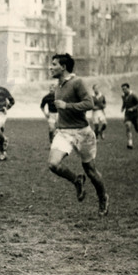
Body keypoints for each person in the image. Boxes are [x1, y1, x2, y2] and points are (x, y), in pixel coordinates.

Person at [47, 54, 109, 216]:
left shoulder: (77, 82)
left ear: (64, 67)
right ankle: (76, 180)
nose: (50, 67)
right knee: (53, 164)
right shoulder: (57, 86)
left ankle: (103, 197)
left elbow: (89, 103)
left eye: (54, 64)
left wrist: (67, 106)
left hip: (83, 133)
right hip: (64, 133)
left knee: (91, 170)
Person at [121, 83, 138, 149]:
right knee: (128, 126)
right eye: (122, 89)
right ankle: (130, 142)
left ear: (128, 88)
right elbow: (124, 103)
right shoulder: (123, 96)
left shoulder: (133, 95)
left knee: (137, 128)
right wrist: (122, 107)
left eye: (125, 89)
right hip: (127, 114)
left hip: (135, 115)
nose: (123, 91)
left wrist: (133, 108)